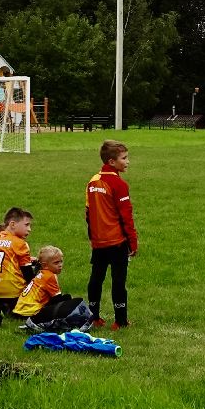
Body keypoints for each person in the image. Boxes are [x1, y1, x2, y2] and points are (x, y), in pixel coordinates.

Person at [86, 139, 139, 329]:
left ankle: (94, 317)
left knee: (96, 278)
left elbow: (88, 213)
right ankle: (120, 321)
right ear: (111, 162)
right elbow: (126, 216)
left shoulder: (92, 181)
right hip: (116, 241)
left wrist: (93, 237)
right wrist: (132, 242)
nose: (128, 162)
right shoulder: (118, 184)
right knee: (118, 281)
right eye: (124, 158)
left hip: (98, 242)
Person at [13, 245, 88, 332]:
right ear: (45, 265)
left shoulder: (41, 273)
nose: (60, 265)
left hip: (20, 311)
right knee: (67, 299)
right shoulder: (50, 276)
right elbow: (57, 300)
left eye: (61, 261)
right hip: (30, 312)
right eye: (56, 263)